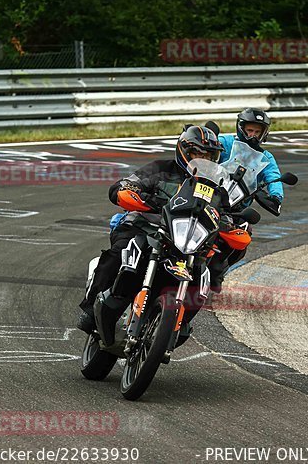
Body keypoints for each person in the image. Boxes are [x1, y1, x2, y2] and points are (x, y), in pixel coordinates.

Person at [76, 123, 224, 334]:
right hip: (143, 227)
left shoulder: (215, 188)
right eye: (195, 154)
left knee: (202, 273)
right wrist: (135, 194)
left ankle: (181, 322)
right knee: (121, 252)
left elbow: (228, 212)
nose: (202, 160)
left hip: (185, 241)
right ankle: (91, 309)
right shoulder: (160, 169)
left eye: (208, 156)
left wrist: (233, 224)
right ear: (182, 150)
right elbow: (125, 185)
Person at [208, 108, 285, 293]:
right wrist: (204, 138)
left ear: (264, 133)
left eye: (257, 132)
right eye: (250, 130)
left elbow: (273, 176)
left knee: (244, 235)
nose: (253, 135)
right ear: (241, 128)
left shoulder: (266, 158)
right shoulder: (226, 142)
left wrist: (275, 196)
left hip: (237, 207)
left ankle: (218, 269)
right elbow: (207, 146)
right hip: (210, 194)